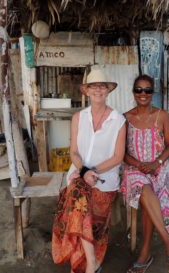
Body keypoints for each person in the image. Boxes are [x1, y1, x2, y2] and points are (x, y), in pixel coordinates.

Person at [52, 69, 126, 273]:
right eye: (93, 86)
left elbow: (118, 157)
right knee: (77, 192)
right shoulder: (78, 118)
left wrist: (91, 171)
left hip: (105, 180)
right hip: (79, 175)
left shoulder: (118, 121)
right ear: (87, 91)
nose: (98, 90)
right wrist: (84, 171)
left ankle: (89, 259)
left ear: (108, 90)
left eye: (102, 86)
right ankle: (92, 264)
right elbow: (73, 151)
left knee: (83, 207)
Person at [121, 75, 169, 273]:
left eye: (147, 90)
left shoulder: (162, 115)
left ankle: (145, 253)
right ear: (133, 92)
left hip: (159, 168)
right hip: (133, 169)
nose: (143, 94)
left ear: (153, 92)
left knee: (148, 198)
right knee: (142, 187)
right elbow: (122, 153)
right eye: (139, 90)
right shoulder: (126, 118)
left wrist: (157, 162)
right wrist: (139, 164)